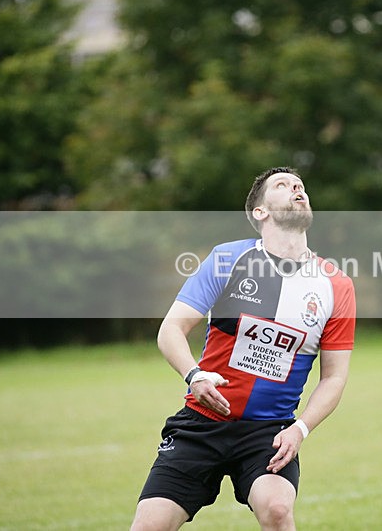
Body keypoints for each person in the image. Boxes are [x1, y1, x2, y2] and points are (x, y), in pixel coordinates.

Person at [130, 167, 356, 531]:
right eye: (282, 185)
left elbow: (335, 376)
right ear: (260, 212)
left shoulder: (336, 284)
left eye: (299, 185)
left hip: (268, 432)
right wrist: (195, 375)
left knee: (277, 509)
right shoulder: (228, 259)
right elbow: (171, 328)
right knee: (149, 525)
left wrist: (301, 429)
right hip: (202, 422)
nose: (296, 189)